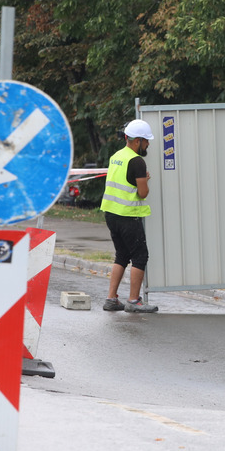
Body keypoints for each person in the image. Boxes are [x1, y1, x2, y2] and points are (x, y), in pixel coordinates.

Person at [100, 119, 159, 313]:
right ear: (137, 141)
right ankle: (133, 301)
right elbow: (142, 193)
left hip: (111, 214)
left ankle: (111, 299)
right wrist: (146, 181)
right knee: (140, 256)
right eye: (146, 141)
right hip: (127, 215)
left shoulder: (116, 156)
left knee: (122, 255)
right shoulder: (137, 161)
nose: (148, 144)